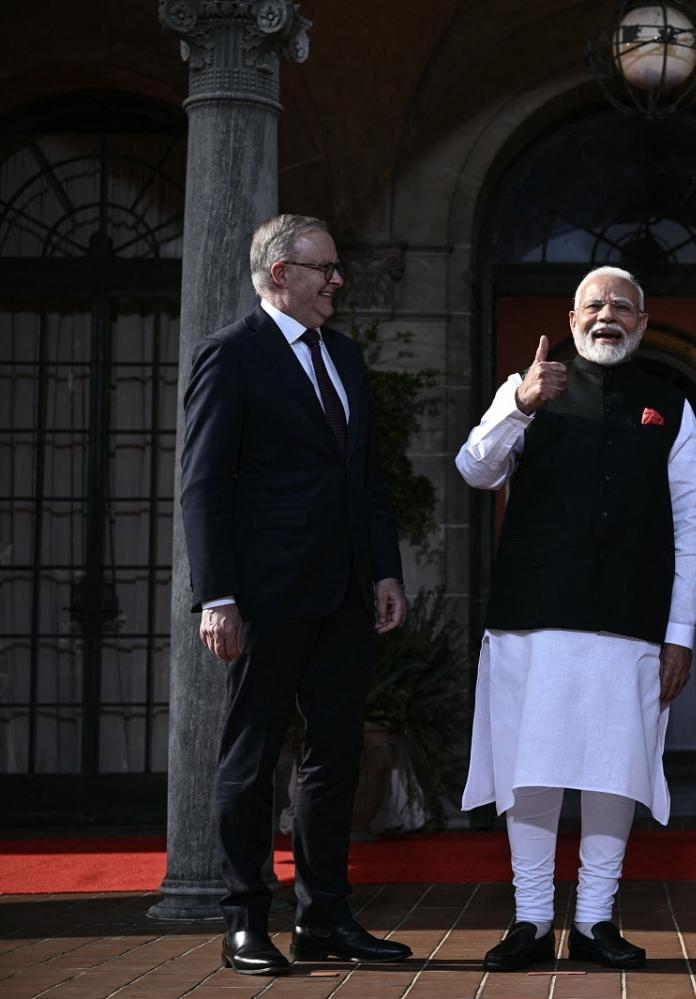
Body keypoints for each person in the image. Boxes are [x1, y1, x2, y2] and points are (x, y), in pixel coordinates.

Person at [456, 266, 696, 972]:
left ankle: (596, 919)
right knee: (530, 772)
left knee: (612, 772)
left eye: (623, 306)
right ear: (571, 319)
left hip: (630, 624)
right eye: (594, 305)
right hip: (531, 619)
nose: (608, 315)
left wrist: (680, 633)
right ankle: (532, 918)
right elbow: (474, 469)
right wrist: (518, 402)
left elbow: (694, 526)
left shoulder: (672, 405)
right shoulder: (530, 390)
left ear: (643, 322)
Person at [179, 214, 412, 975]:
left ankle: (323, 916)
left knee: (334, 754)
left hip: (345, 593)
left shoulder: (343, 355)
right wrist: (217, 595)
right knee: (250, 757)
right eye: (325, 269)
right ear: (281, 274)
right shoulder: (231, 355)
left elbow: (366, 478)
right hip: (266, 595)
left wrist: (384, 571)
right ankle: (245, 918)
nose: (337, 281)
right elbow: (204, 487)